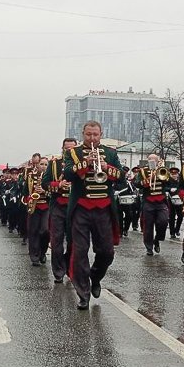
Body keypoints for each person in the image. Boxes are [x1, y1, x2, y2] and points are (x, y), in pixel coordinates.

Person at [64, 121, 122, 310]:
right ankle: (83, 294)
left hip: (103, 209)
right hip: (81, 208)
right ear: (83, 134)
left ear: (101, 134)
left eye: (95, 135)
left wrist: (106, 167)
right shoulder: (73, 153)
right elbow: (67, 174)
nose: (92, 139)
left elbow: (120, 177)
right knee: (80, 252)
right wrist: (85, 163)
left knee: (107, 252)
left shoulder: (111, 153)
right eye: (88, 135)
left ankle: (95, 277)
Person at [44, 138, 77, 283]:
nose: (69, 151)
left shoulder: (81, 163)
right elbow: (45, 183)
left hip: (75, 206)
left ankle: (69, 267)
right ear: (62, 149)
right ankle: (58, 271)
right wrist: (58, 184)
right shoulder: (54, 163)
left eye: (72, 148)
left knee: (73, 240)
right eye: (66, 148)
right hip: (57, 205)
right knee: (56, 240)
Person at [136, 154, 170, 256]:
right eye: (150, 160)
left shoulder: (162, 170)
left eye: (154, 160)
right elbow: (137, 184)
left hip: (161, 201)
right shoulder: (143, 171)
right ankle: (149, 247)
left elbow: (168, 182)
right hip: (148, 201)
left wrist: (160, 175)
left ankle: (157, 239)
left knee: (163, 221)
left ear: (158, 161)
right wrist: (148, 180)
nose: (152, 161)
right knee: (148, 226)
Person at [22, 153, 51, 266]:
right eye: (41, 164)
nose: (43, 166)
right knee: (33, 231)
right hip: (34, 206)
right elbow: (25, 191)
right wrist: (28, 199)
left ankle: (42, 252)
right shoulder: (30, 176)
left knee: (45, 231)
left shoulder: (50, 177)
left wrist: (44, 191)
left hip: (46, 206)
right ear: (37, 165)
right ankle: (34, 256)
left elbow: (54, 193)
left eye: (45, 164)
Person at [166, 167, 184, 239]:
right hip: (171, 200)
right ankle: (172, 232)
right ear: (170, 174)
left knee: (180, 216)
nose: (174, 175)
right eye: (172, 174)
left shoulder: (180, 181)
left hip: (179, 199)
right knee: (172, 216)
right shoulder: (168, 180)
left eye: (175, 174)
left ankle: (177, 229)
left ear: (178, 174)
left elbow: (183, 188)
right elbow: (164, 188)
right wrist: (170, 189)